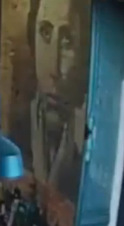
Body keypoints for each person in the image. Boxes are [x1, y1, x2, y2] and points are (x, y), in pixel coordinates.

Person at [26, 0, 89, 203]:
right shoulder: (13, 134)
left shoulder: (88, 157)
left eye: (67, 42)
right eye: (45, 33)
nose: (52, 68)